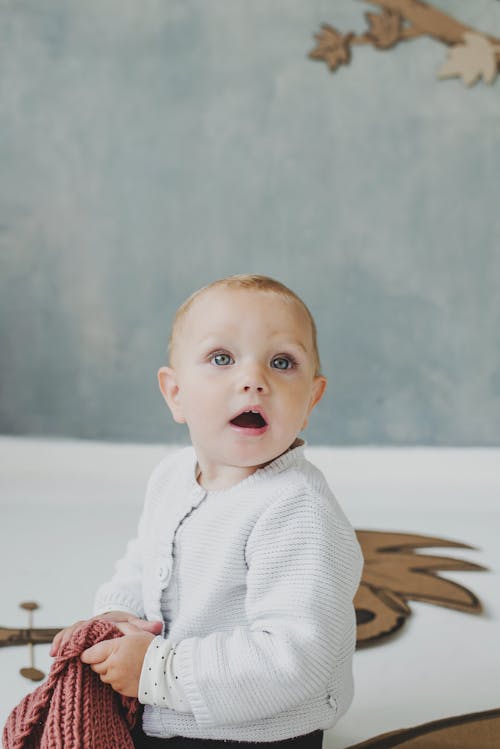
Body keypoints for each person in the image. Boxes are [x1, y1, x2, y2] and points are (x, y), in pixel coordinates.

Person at [50, 274, 363, 749]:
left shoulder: (297, 510)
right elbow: (143, 561)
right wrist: (119, 614)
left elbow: (295, 658)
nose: (253, 379)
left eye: (282, 362)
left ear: (311, 401)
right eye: (222, 358)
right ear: (175, 393)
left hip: (259, 729)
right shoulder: (173, 475)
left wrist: (159, 668)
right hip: (161, 697)